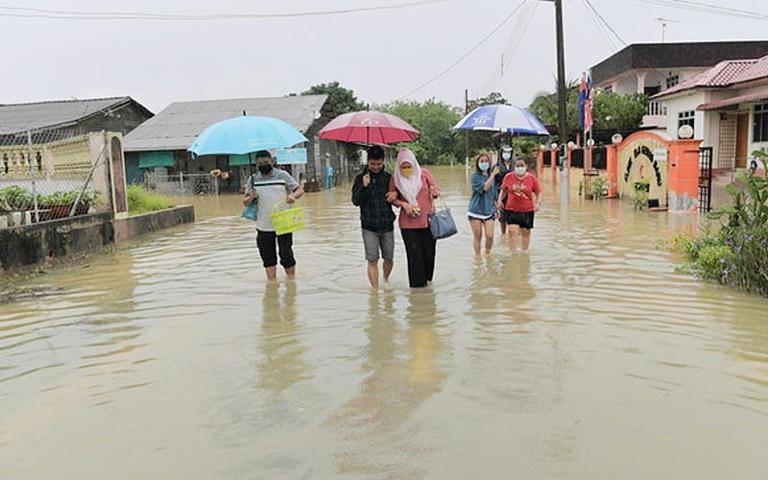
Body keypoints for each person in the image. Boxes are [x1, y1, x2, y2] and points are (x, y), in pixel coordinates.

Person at [243, 150, 305, 280]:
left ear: (272, 161)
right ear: (256, 164)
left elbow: (299, 190)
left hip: (283, 223)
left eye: (266, 162)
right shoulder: (253, 179)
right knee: (267, 257)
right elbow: (246, 203)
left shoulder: (282, 175)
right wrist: (251, 196)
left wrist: (293, 196)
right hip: (263, 225)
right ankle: (272, 284)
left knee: (286, 254)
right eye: (260, 163)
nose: (264, 165)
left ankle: (291, 282)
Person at [387, 148, 441, 288]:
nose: (406, 169)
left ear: (413, 164)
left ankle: (428, 284)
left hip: (428, 221)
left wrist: (434, 192)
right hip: (408, 225)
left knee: (429, 255)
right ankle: (417, 291)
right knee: (414, 258)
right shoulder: (396, 178)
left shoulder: (424, 174)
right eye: (403, 167)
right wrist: (403, 204)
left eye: (408, 166)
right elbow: (392, 198)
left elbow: (435, 189)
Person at [352, 145, 397, 289]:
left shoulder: (389, 178)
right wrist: (364, 187)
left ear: (383, 161)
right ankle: (375, 290)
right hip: (369, 226)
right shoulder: (360, 178)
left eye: (379, 164)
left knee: (389, 258)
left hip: (387, 224)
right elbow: (355, 201)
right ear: (368, 162)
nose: (376, 167)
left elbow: (397, 199)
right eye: (372, 164)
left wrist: (395, 194)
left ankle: (385, 278)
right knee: (372, 259)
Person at [498, 157, 542, 252]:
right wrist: (499, 200)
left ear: (526, 166)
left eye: (522, 165)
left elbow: (538, 192)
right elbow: (504, 190)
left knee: (526, 233)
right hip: (511, 209)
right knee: (512, 231)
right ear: (514, 166)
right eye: (517, 165)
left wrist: (538, 203)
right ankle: (513, 255)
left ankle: (524, 254)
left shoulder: (532, 178)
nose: (519, 167)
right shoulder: (509, 177)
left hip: (527, 210)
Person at [467, 152, 499, 255]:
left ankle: (488, 253)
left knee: (490, 236)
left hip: (489, 210)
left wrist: (497, 205)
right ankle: (478, 257)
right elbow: (485, 188)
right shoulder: (475, 177)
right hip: (475, 210)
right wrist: (493, 175)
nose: (484, 163)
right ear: (477, 163)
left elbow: (494, 193)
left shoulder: (492, 177)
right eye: (482, 161)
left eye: (486, 161)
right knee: (478, 236)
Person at [496, 144, 515, 235]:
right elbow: (494, 182)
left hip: (513, 193)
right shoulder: (497, 166)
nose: (506, 154)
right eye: (505, 152)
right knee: (503, 217)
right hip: (501, 193)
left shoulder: (515, 165)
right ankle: (503, 235)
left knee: (514, 217)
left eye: (508, 152)